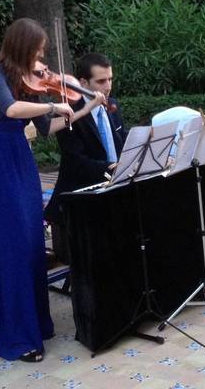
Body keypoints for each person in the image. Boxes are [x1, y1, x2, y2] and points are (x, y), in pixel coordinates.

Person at [0, 18, 106, 363]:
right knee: (13, 247)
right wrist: (52, 104)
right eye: (38, 50)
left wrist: (86, 106)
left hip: (21, 157)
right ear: (22, 47)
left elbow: (48, 128)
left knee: (33, 243)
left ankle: (38, 325)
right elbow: (10, 109)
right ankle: (18, 338)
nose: (42, 57)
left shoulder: (26, 81)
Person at [45, 52, 126, 264]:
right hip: (80, 199)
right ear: (82, 83)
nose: (107, 86)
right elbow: (76, 163)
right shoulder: (68, 114)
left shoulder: (112, 106)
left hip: (111, 190)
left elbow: (121, 141)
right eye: (101, 81)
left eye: (110, 79)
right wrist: (111, 166)